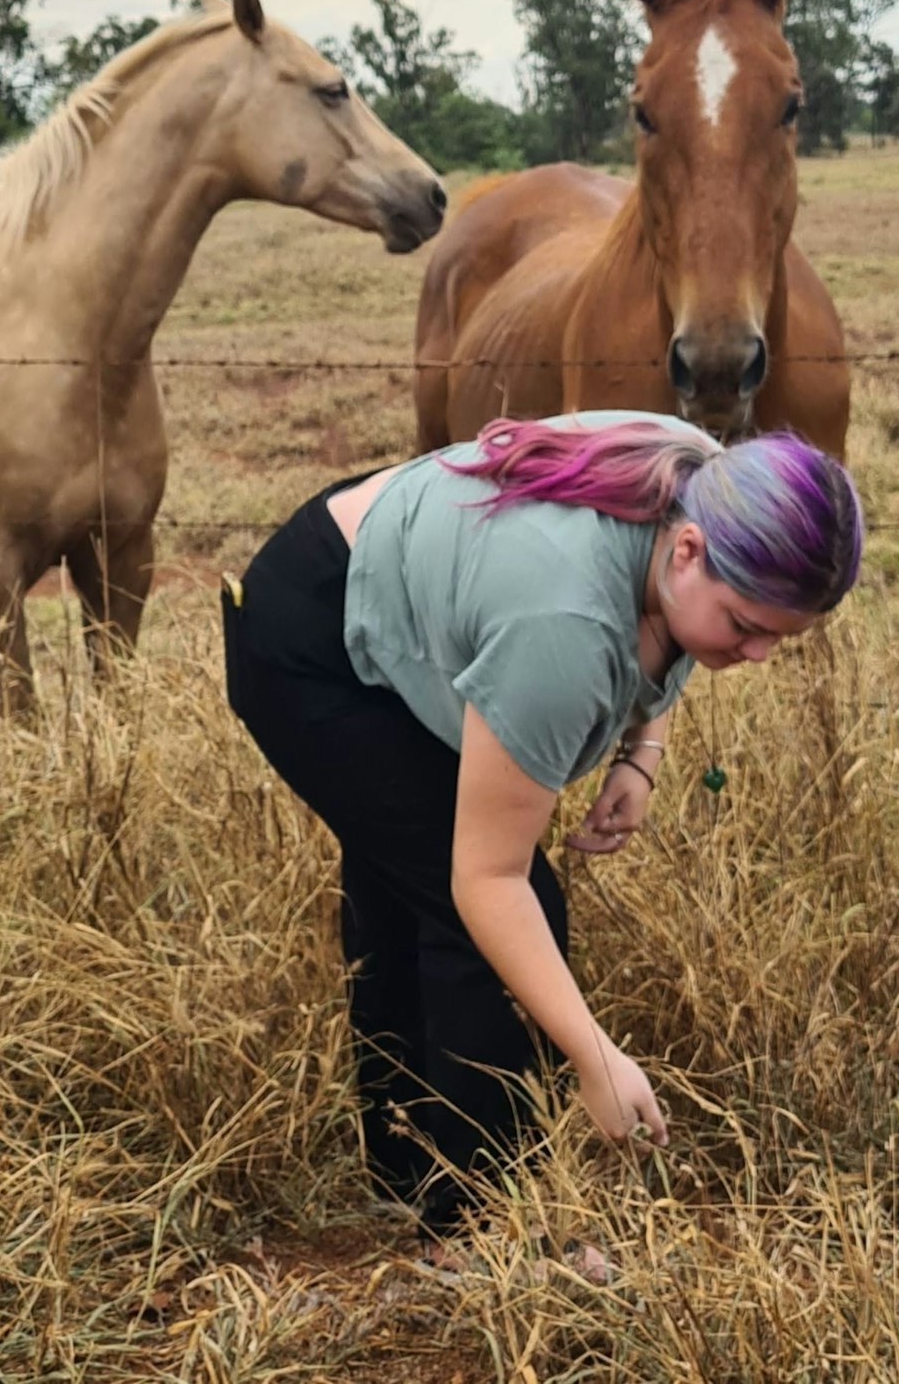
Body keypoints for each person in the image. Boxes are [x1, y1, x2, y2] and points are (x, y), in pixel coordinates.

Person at [221, 410, 862, 1260]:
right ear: (687, 550)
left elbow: (670, 630)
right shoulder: (561, 625)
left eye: (780, 636)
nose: (757, 655)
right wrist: (593, 1054)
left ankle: (410, 1164)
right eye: (747, 626)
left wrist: (642, 753)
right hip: (310, 644)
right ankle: (483, 1226)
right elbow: (487, 880)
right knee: (484, 908)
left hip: (398, 572)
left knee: (410, 872)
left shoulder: (709, 481)